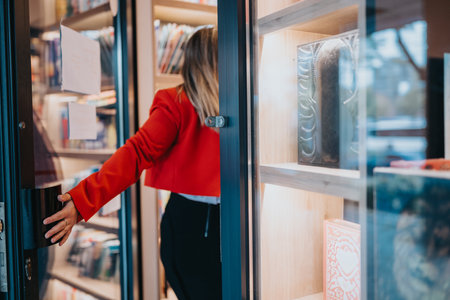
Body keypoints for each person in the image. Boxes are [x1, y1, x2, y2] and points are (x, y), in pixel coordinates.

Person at [44, 27, 221, 300]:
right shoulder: (176, 103)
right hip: (192, 226)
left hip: (227, 220)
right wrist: (81, 201)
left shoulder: (238, 101)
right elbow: (135, 154)